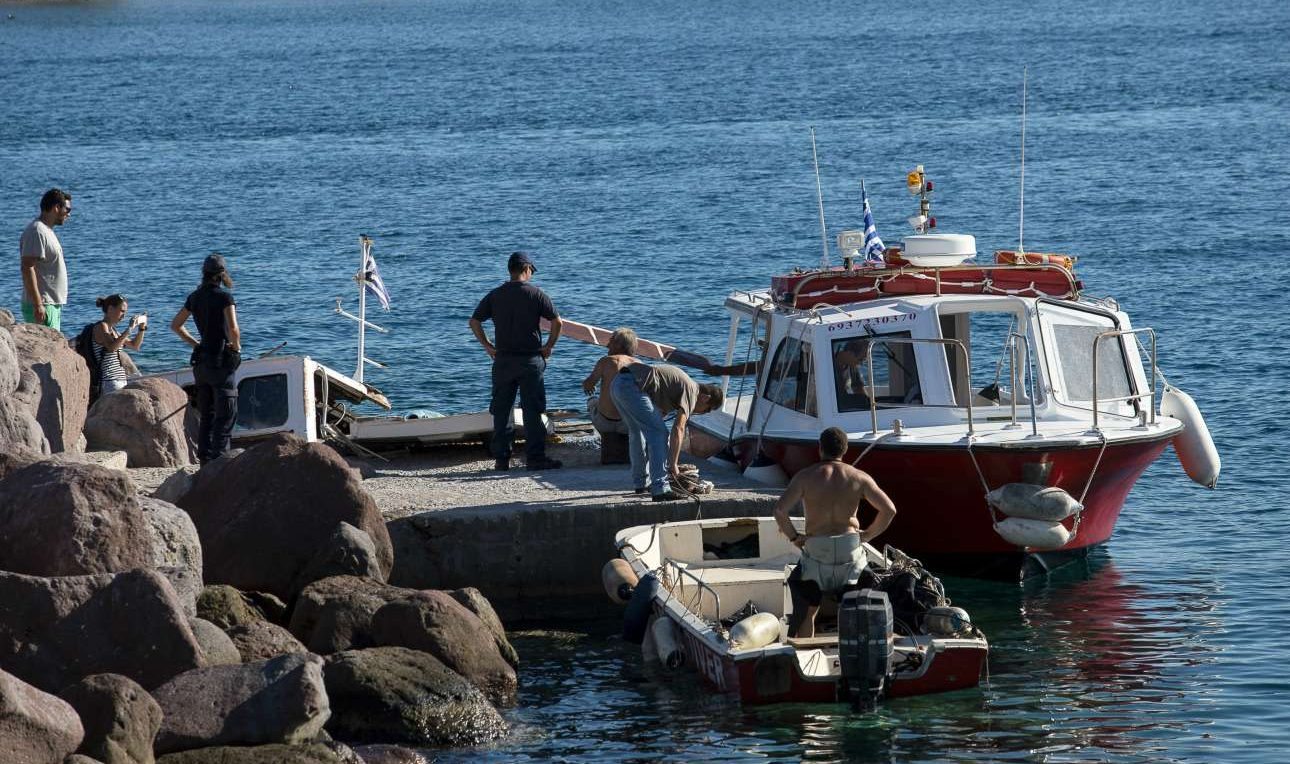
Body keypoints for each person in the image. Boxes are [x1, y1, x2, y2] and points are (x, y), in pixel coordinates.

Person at [774, 426, 897, 638]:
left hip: (816, 548)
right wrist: (866, 535)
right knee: (853, 609)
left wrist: (795, 537)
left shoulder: (805, 476)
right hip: (849, 550)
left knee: (808, 611)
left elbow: (780, 511)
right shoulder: (859, 477)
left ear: (820, 448)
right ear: (845, 449)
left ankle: (805, 650)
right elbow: (889, 510)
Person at [469, 251, 563, 471]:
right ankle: (535, 458)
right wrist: (549, 346)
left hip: (502, 359)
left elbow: (474, 321)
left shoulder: (495, 294)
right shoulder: (536, 294)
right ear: (526, 269)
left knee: (502, 411)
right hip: (530, 359)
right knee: (532, 410)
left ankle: (502, 459)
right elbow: (557, 322)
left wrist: (487, 345)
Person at [609, 361, 723, 501]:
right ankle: (660, 488)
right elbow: (678, 428)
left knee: (637, 431)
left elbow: (657, 410)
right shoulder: (692, 391)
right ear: (706, 398)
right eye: (705, 410)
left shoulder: (679, 387)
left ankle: (641, 483)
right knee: (660, 434)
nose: (699, 413)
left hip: (618, 383)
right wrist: (673, 463)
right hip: (633, 386)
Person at [170, 254, 242, 464]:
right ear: (222, 275)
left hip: (201, 363)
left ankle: (204, 461)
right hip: (221, 362)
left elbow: (176, 325)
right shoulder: (225, 298)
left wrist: (196, 344)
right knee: (226, 413)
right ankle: (219, 459)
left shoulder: (194, 297)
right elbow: (233, 329)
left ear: (204, 274)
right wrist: (236, 348)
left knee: (207, 414)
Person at [19, 188, 72, 330]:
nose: (69, 214)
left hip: (49, 304)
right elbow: (27, 267)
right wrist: (38, 304)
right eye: (67, 209)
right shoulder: (37, 231)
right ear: (56, 208)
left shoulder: (46, 230)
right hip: (42, 306)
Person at [582, 327, 638, 436]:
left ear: (618, 345)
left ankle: (605, 437)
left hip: (604, 423)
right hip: (626, 424)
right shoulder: (639, 364)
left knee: (592, 400)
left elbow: (588, 384)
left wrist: (588, 386)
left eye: (610, 342)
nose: (607, 346)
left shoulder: (606, 361)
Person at [91, 294, 147, 396]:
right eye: (122, 311)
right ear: (111, 309)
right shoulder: (101, 326)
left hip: (119, 380)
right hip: (109, 381)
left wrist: (142, 328)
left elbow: (135, 345)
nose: (124, 316)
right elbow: (112, 347)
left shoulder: (114, 331)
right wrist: (129, 329)